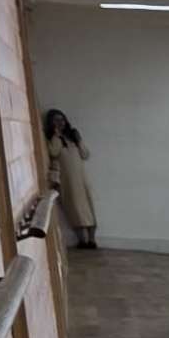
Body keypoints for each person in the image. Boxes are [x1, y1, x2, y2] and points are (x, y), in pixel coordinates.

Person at [42, 107, 98, 249]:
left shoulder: (72, 136)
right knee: (74, 208)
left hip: (81, 178)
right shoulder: (53, 139)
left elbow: (85, 154)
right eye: (56, 120)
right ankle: (82, 241)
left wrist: (79, 140)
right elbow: (53, 152)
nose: (60, 122)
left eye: (62, 119)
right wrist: (55, 136)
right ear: (51, 123)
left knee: (88, 208)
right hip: (68, 180)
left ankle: (92, 240)